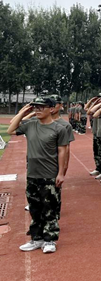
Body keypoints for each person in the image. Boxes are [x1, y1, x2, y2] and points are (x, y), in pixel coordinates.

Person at [8, 97, 70, 253]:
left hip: (49, 175)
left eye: (41, 107)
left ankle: (50, 240)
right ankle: (37, 239)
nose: (37, 110)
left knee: (50, 209)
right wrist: (24, 112)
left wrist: (61, 173)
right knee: (35, 209)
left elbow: (63, 151)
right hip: (32, 175)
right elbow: (11, 130)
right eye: (35, 107)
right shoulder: (30, 125)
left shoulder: (59, 129)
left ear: (51, 109)